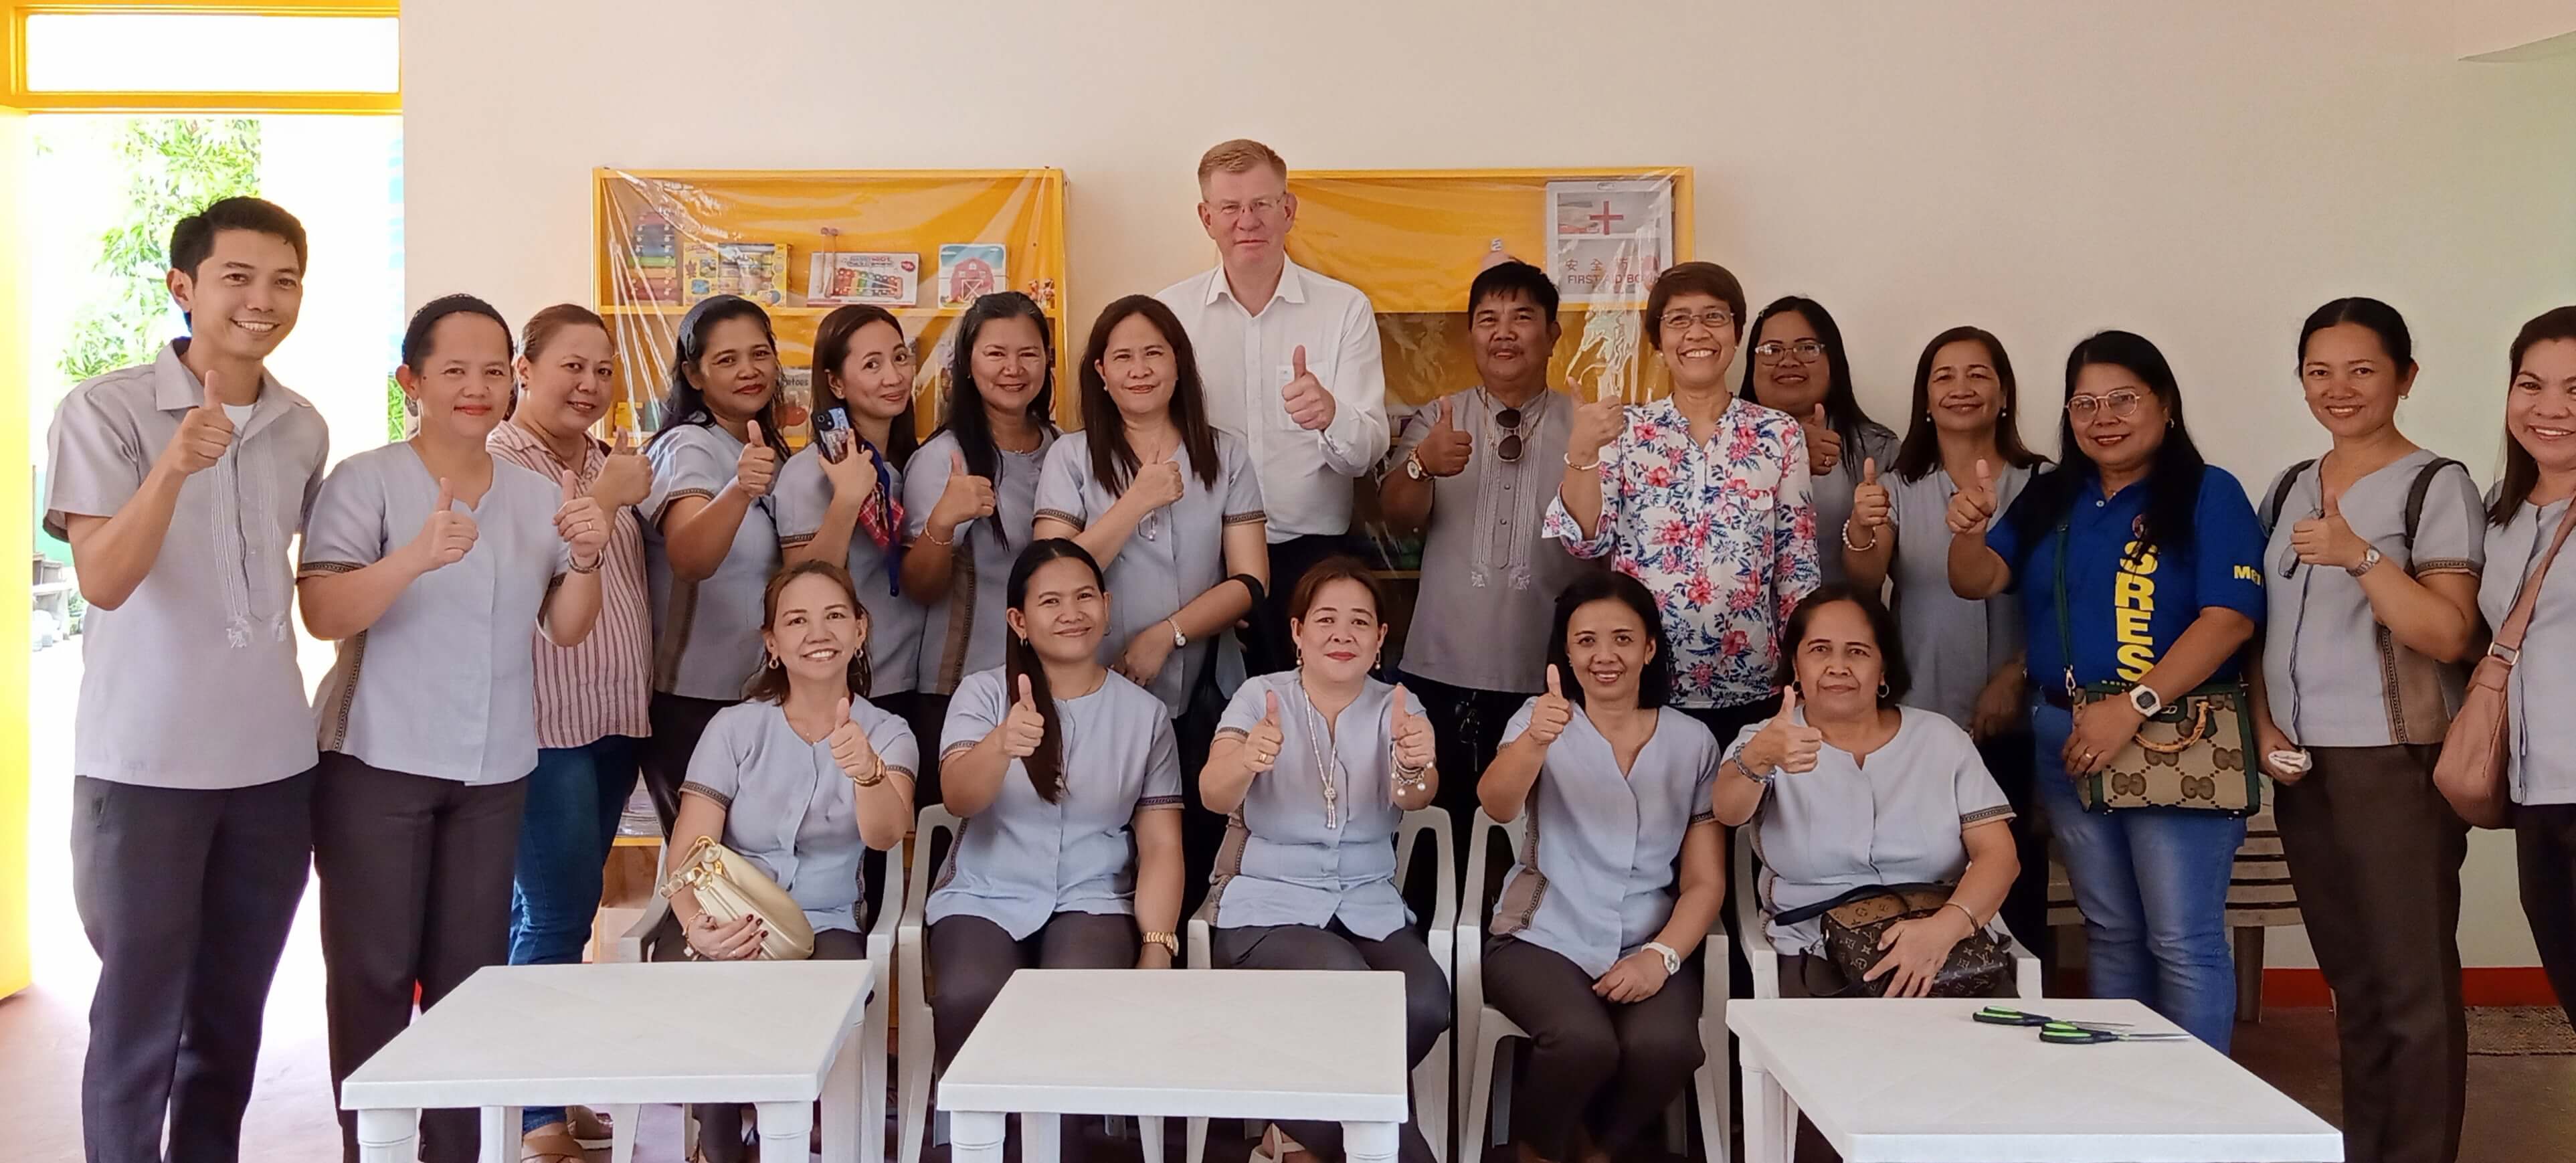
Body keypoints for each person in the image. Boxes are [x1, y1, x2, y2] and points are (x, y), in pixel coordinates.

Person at [45, 196, 325, 1163]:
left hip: (274, 770)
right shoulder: (104, 408)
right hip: (145, 769)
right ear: (184, 287)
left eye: (282, 280)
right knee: (137, 1022)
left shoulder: (303, 426)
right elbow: (104, 580)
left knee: (230, 1020)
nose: (263, 299)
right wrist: (173, 466)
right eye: (238, 277)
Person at [298, 294, 609, 1161]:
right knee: (372, 975)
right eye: (453, 371)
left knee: (471, 982)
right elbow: (323, 608)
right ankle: (377, 1148)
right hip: (377, 761)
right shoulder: (368, 480)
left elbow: (567, 623)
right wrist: (414, 556)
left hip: (494, 768)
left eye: (490, 371)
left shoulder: (532, 490)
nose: (475, 388)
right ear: (412, 381)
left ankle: (454, 1151)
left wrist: (586, 555)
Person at [1946, 329, 2266, 1049]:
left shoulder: (2209, 492)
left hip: (2175, 735)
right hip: (2065, 738)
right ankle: (2132, 1106)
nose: (2103, 416)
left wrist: (2132, 706)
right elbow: (1977, 581)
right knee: (2111, 933)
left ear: (2165, 405)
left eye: (2123, 398)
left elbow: (2229, 620)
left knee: (2181, 939)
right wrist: (1966, 531)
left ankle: (2196, 1120)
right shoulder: (2053, 495)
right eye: (2084, 403)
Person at [2245, 298, 2481, 1163]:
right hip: (2304, 772)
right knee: (2355, 986)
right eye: (2318, 370)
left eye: (2360, 369)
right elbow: (2258, 631)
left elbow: (2448, 633)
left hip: (2396, 763)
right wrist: (2265, 728)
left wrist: (2359, 555)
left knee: (2411, 989)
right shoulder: (2285, 487)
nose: (2336, 388)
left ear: (2404, 377)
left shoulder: (2434, 483)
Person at [662, 560, 917, 1163]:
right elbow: (690, 850)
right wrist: (697, 924)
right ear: (772, 644)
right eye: (796, 620)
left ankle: (809, 1142)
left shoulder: (888, 732)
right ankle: (717, 1149)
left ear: (861, 629)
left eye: (834, 616)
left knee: (824, 992)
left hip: (826, 921)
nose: (817, 632)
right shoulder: (733, 729)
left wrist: (866, 771)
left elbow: (885, 835)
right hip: (726, 912)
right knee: (706, 977)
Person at [1201, 559, 1445, 1163]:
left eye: (1360, 622)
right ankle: (1390, 1154)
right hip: (1268, 904)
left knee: (1426, 1003)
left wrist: (1417, 766)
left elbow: (1415, 798)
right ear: (1297, 632)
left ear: (1381, 638)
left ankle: (1294, 1128)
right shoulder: (1259, 697)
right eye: (1326, 620)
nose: (1343, 634)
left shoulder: (1399, 705)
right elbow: (1212, 792)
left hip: (1367, 901)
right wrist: (1248, 758)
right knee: (1354, 996)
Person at [1475, 571, 1722, 1163]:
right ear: (1566, 650)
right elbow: (1496, 802)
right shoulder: (1540, 722)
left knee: (1668, 1047)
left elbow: (1704, 881)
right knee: (1582, 1042)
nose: (1603, 656)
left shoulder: (1693, 743)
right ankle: (1535, 1151)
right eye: (1585, 641)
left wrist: (1660, 958)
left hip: (1647, 938)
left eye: (1621, 639)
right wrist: (1534, 742)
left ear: (1650, 647)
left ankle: (1600, 1149)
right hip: (1541, 938)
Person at [1033, 294, 1268, 911]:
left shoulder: (1226, 453)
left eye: (1154, 354)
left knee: (1197, 841)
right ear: (1100, 374)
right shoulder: (1072, 456)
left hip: (1203, 688)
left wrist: (1168, 632)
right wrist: (1136, 500)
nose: (1139, 369)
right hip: (1092, 686)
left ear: (1179, 365)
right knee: (1108, 844)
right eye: (1123, 357)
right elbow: (1050, 576)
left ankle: (1185, 968)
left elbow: (1250, 582)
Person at [488, 303, 655, 1162]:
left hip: (614, 720)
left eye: (603, 370)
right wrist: (607, 495)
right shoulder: (498, 457)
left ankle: (551, 1088)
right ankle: (532, 1117)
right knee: (550, 914)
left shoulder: (604, 458)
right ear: (525, 367)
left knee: (577, 907)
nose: (588, 385)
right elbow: (527, 572)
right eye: (571, 367)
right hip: (544, 723)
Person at [926, 539, 1185, 1077]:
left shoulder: (1146, 715)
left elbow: (1161, 844)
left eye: (1084, 597)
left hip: (1094, 897)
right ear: (1019, 621)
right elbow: (958, 797)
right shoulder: (981, 695)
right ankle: (980, 1140)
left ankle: (1058, 1141)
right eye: (1050, 603)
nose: (1072, 614)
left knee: (1075, 1004)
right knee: (970, 994)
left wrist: (1158, 945)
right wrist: (1000, 745)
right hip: (985, 893)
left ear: (1107, 608)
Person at [1843, 326, 2053, 962]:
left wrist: (2016, 674)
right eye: (1944, 377)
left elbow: (2065, 599)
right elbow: (1865, 581)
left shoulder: (2046, 483)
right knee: (1921, 872)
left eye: (1978, 374)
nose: (1961, 389)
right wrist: (1861, 525)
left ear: (2005, 392)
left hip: (2022, 714)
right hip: (1921, 712)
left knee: (2016, 873)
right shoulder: (1900, 484)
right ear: (1925, 399)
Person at [1544, 260, 1818, 743]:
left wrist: (1803, 675)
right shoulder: (1624, 431)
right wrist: (1583, 451)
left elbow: (1797, 570)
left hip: (1751, 682)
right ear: (1658, 340)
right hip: (1642, 683)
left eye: (1714, 317)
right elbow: (1584, 542)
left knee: (1742, 812)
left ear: (1736, 334)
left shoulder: (1778, 434)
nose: (1697, 332)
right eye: (1679, 319)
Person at [1712, 586, 2021, 997]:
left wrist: (1942, 930)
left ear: (1884, 670)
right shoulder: (1767, 740)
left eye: (1857, 652)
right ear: (1796, 667)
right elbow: (1727, 811)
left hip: (1944, 939)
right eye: (1820, 650)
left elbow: (2000, 857)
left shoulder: (1941, 740)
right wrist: (1759, 758)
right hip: (1813, 947)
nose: (1838, 666)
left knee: (1990, 1053)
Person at [1380, 259, 1592, 846]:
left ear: (1552, 334)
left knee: (1535, 835)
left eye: (1522, 317)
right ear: (1471, 335)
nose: (1503, 332)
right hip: (1439, 664)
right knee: (1432, 834)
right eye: (1487, 319)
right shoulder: (1440, 417)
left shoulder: (1588, 426)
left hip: (1548, 673)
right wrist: (1422, 463)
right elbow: (1397, 519)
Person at [1155, 139, 1389, 671]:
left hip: (1310, 558)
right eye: (1231, 208)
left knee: (1312, 716)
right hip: (1199, 556)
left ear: (1288, 210)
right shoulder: (1170, 313)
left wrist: (1331, 415)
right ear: (1206, 217)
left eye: (1262, 204)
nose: (1248, 221)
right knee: (1199, 721)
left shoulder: (1344, 309)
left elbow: (1366, 453)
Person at [640, 294, 790, 831]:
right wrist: (738, 491)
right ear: (693, 374)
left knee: (748, 875)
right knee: (710, 880)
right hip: (691, 704)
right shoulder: (689, 445)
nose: (749, 371)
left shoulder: (763, 447)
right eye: (726, 360)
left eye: (760, 354)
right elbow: (690, 557)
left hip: (756, 696)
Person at [902, 291, 1061, 755]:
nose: (1013, 368)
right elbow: (920, 587)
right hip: (961, 687)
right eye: (996, 353)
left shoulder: (1065, 449)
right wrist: (944, 519)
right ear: (968, 365)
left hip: (1052, 683)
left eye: (1028, 354)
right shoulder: (944, 459)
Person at [777, 304, 931, 762]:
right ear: (837, 384)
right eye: (872, 365)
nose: (894, 376)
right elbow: (801, 583)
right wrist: (847, 500)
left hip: (910, 682)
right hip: (845, 688)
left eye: (900, 358)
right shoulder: (811, 473)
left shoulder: (911, 465)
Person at [2484, 306, 2576, 1030]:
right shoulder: (2498, 513)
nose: (2549, 409)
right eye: (2531, 384)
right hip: (2536, 797)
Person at [1740, 296, 1898, 588]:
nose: (1788, 361)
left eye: (1807, 348)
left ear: (1833, 362)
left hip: (1843, 627)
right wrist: (1791, 453)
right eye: (1772, 350)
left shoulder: (1877, 448)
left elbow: (1878, 573)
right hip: (1747, 628)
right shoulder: (1717, 442)